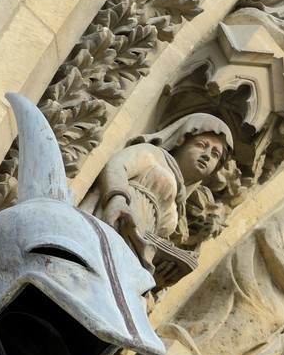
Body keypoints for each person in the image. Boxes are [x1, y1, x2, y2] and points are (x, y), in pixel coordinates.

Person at [88, 113, 232, 268]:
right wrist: (117, 200)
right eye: (201, 145)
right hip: (108, 222)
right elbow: (117, 166)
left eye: (215, 154)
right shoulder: (154, 154)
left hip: (127, 253)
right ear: (182, 139)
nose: (207, 156)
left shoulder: (179, 204)